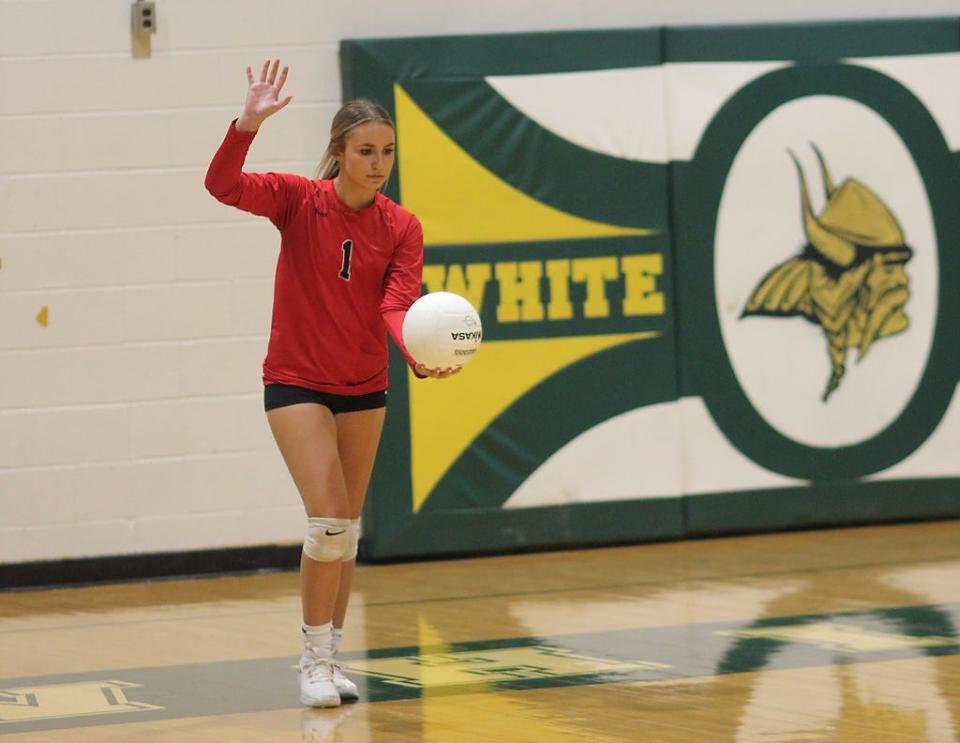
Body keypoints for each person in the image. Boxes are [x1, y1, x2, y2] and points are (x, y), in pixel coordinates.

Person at [204, 59, 459, 707]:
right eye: (366, 151)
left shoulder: (402, 226)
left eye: (388, 152)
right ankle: (311, 661)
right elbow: (222, 185)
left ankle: (331, 657)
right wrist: (247, 124)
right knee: (326, 520)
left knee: (346, 525)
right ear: (338, 153)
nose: (379, 163)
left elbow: (395, 306)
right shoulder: (298, 201)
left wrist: (416, 354)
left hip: (363, 385)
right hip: (295, 381)